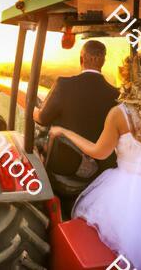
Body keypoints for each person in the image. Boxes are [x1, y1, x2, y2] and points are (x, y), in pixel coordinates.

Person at [50, 54, 141, 269]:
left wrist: (65, 132)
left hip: (125, 195)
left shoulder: (120, 114)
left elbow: (99, 152)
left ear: (129, 78)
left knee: (122, 252)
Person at [33, 40, 119, 211]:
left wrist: (33, 110)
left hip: (64, 167)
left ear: (81, 59)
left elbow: (42, 119)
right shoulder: (115, 94)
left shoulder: (63, 85)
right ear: (103, 61)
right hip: (101, 172)